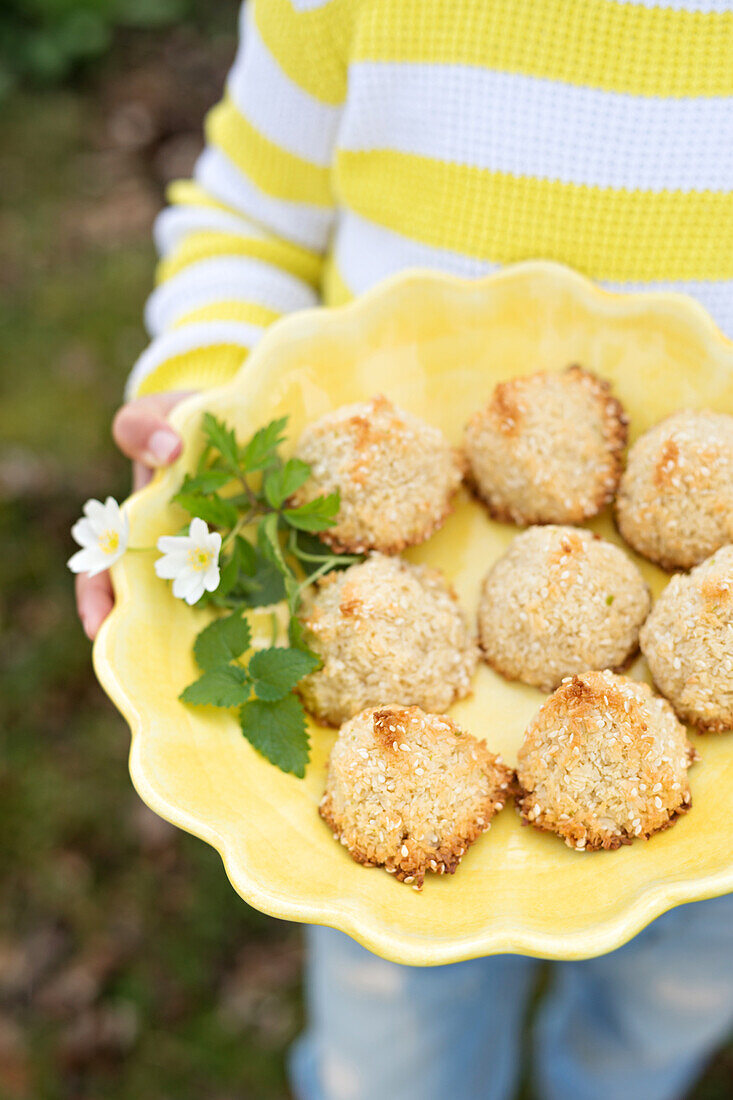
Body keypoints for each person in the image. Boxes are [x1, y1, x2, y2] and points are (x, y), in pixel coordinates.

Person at [76, 1, 733, 1096]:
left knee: (659, 1016)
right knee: (395, 1058)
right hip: (378, 812)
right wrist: (205, 401)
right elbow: (247, 218)